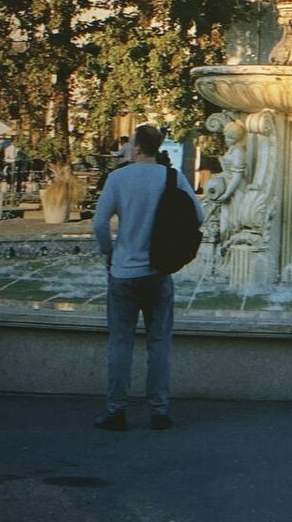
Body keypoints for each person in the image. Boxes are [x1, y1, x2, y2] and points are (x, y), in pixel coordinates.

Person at [92, 123, 203, 431]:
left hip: (123, 272)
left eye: (131, 143)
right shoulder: (173, 177)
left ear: (138, 148)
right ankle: (159, 411)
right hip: (158, 271)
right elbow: (199, 216)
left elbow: (99, 224)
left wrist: (108, 253)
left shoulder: (118, 178)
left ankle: (116, 411)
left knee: (120, 343)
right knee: (159, 343)